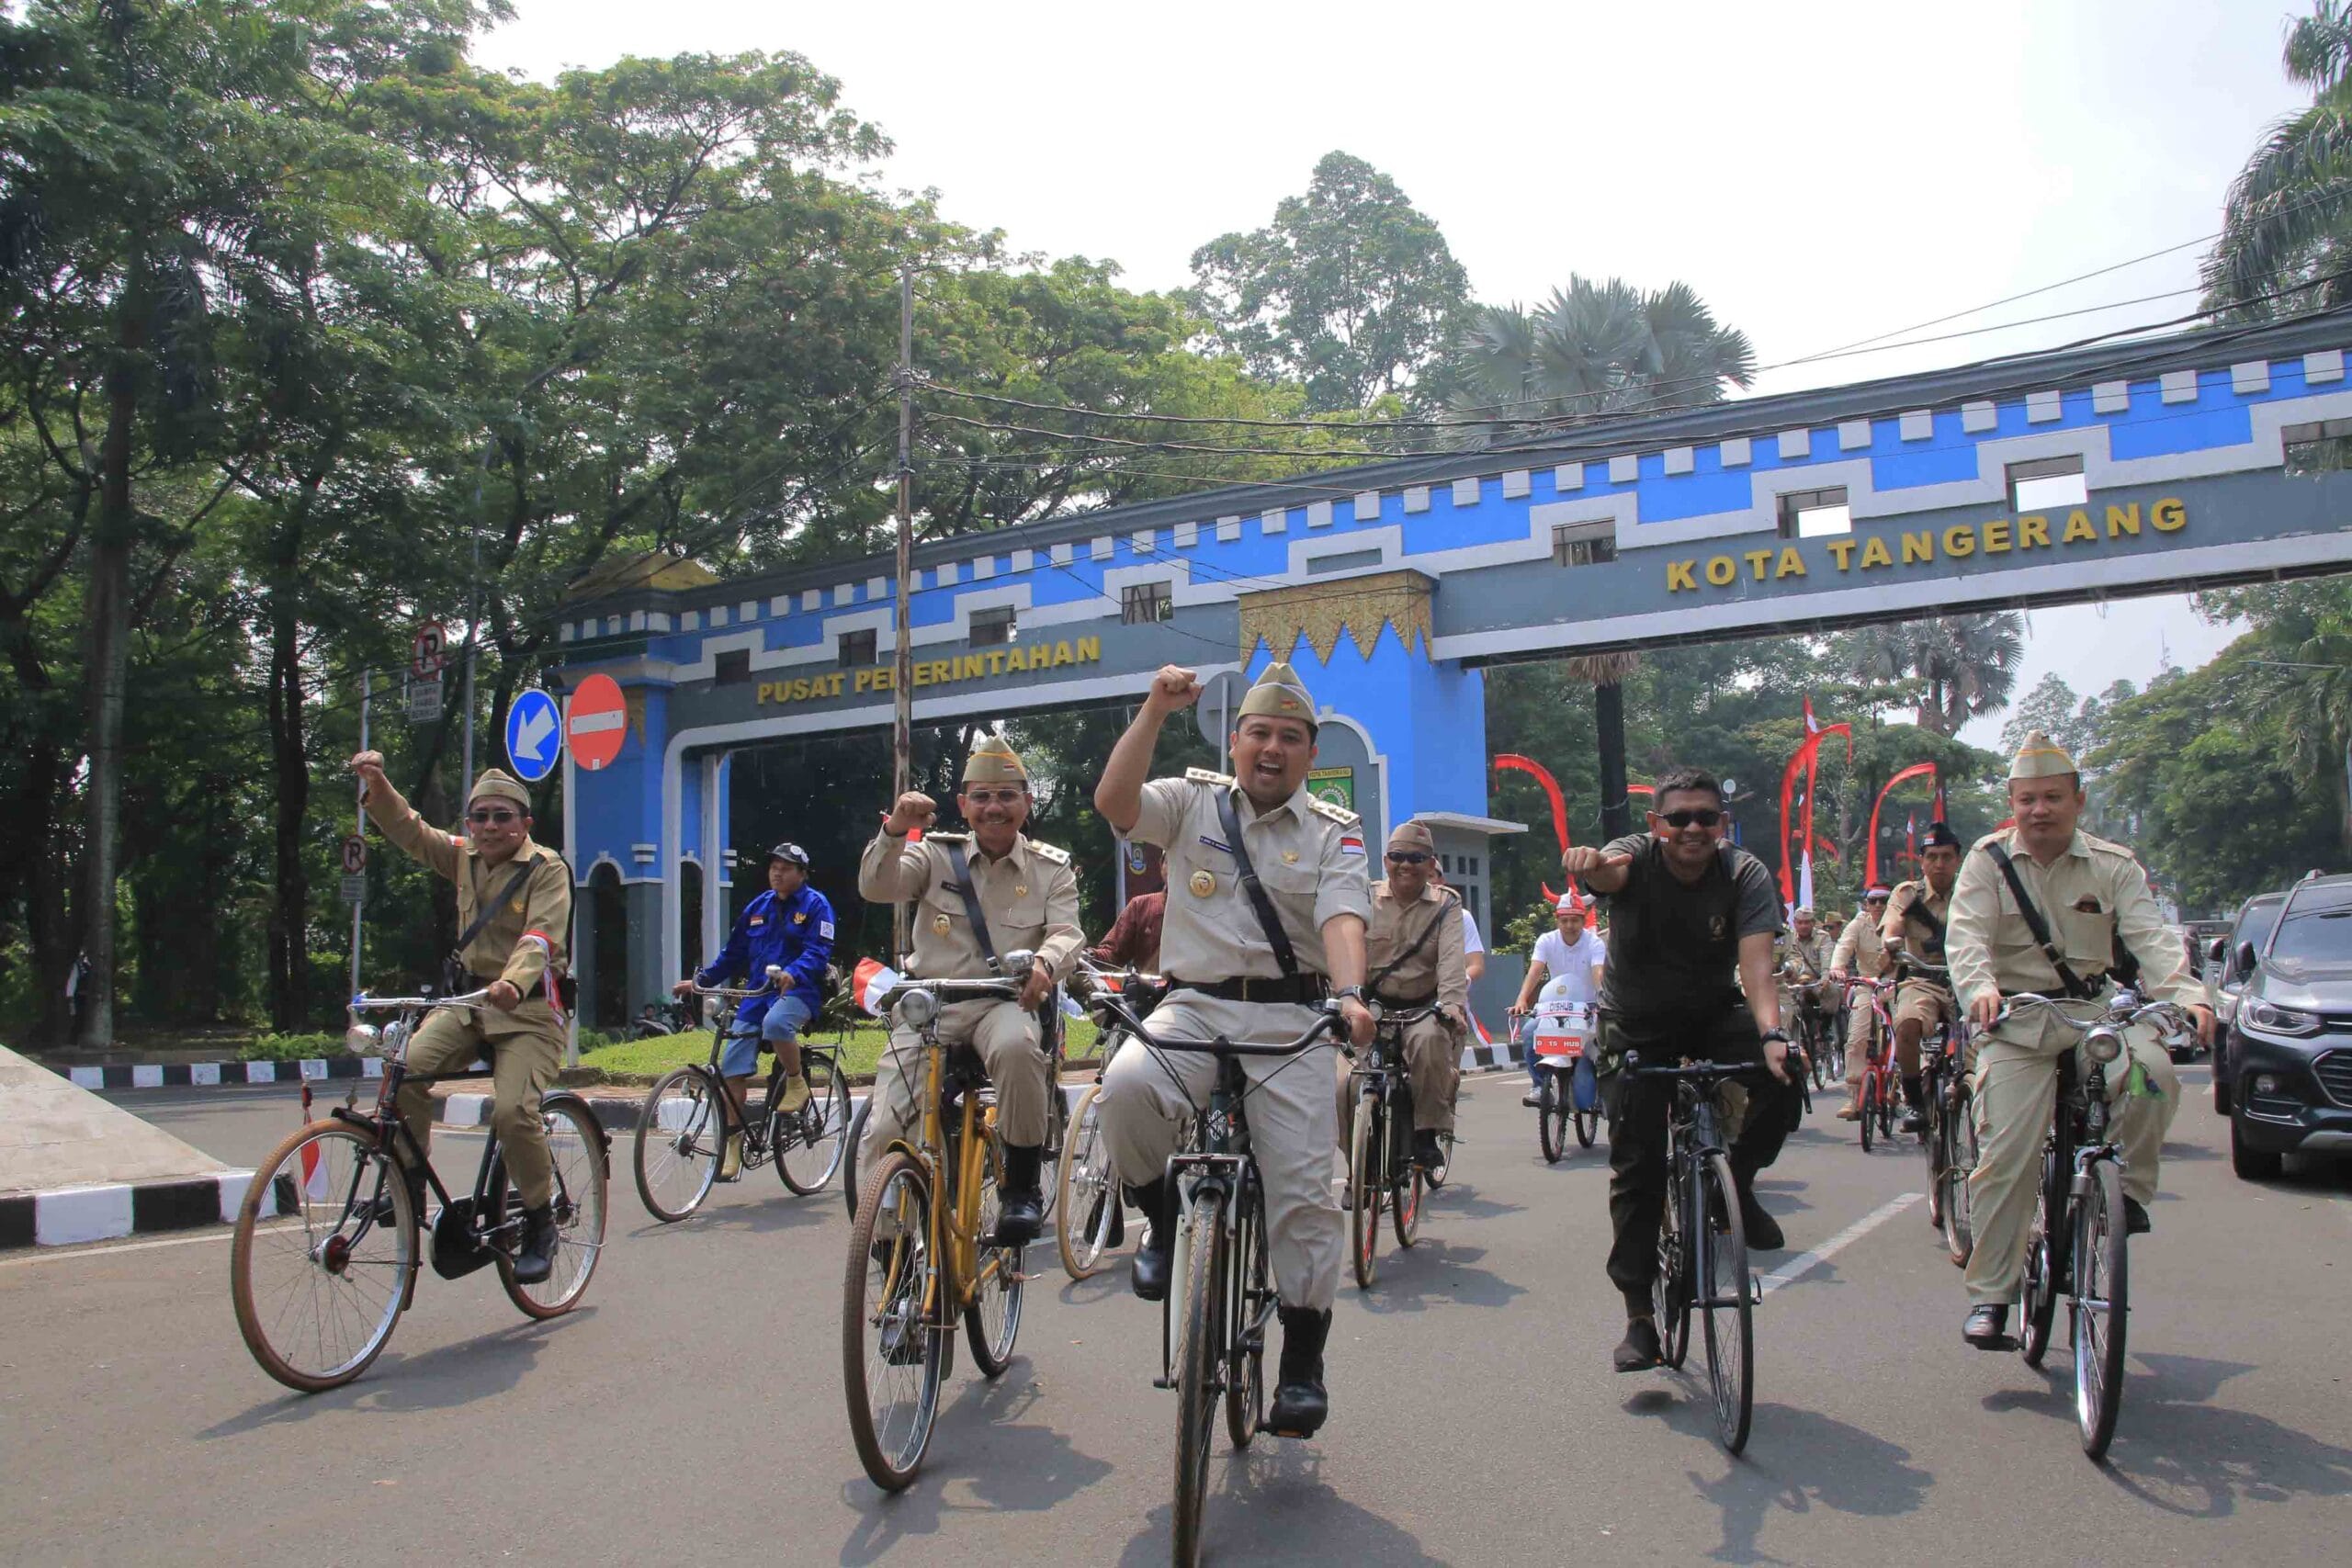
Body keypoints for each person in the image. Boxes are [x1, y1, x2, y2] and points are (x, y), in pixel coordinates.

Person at [1091, 660, 1376, 1439]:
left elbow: (1344, 917)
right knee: (1123, 1085)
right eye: (1260, 733)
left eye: (1290, 737)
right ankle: (1159, 1215)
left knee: (1306, 1194)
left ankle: (1303, 1362)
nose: (1272, 749)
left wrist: (1349, 994)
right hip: (1192, 1007)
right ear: (1236, 739)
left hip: (1290, 1024)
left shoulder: (1333, 829)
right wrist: (1152, 708)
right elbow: (1115, 803)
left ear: (1310, 753)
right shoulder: (1191, 802)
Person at [1948, 732, 2213, 1348]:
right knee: (2006, 1152)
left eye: (2052, 798)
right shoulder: (1988, 861)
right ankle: (1992, 1292)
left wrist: (2191, 996)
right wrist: (1980, 989)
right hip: (2016, 1022)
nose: (2039, 810)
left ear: (2078, 800)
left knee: (2153, 1073)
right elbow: (1966, 939)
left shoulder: (2113, 865)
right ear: (2011, 803)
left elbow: (2154, 940)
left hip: (2094, 1016)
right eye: (2027, 799)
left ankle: (2129, 1197)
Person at [1561, 764, 1793, 1374]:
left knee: (1783, 1076)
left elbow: (1758, 970)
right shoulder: (1634, 858)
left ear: (1724, 822)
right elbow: (1608, 871)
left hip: (1713, 1011)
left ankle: (1733, 1183)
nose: (1693, 828)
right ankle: (1640, 1315)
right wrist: (1589, 866)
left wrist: (1771, 1034)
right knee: (1636, 1162)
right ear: (1656, 824)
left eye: (1706, 817)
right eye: (1679, 818)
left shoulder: (1744, 873)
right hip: (1634, 1021)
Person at [347, 754, 570, 1283]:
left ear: (524, 824)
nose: (491, 827)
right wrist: (378, 783)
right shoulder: (463, 855)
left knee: (513, 1112)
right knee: (403, 1070)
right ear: (469, 824)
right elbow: (411, 831)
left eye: (502, 817)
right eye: (481, 817)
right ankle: (408, 1186)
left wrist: (514, 983)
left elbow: (541, 936)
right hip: (468, 1005)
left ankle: (541, 1220)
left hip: (529, 1009)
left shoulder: (547, 868)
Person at [858, 734, 1081, 1246]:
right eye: (980, 797)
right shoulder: (934, 855)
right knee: (887, 1120)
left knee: (1019, 1049)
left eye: (1006, 796)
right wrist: (895, 829)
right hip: (930, 1008)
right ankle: (889, 1240)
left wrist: (1046, 964)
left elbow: (1067, 931)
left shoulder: (1051, 868)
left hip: (1001, 1004)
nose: (993, 808)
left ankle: (1021, 1188)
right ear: (963, 805)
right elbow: (876, 887)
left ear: (1027, 801)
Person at [674, 841, 835, 1179]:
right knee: (731, 1064)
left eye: (786, 867)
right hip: (756, 993)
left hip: (799, 991)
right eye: (773, 866)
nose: (777, 872)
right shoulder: (758, 906)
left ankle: (796, 1082)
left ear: (802, 874)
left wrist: (795, 972)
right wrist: (701, 981)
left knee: (776, 1024)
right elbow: (733, 953)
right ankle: (732, 1146)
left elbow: (818, 951)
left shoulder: (816, 905)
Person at [1341, 821, 1465, 1171]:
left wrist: (1452, 1005)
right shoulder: (1363, 899)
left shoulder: (1446, 906)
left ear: (1430, 864)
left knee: (1428, 1042)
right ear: (1386, 860)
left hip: (1422, 1009)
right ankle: (1357, 1165)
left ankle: (1427, 1132)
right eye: (1398, 856)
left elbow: (1452, 961)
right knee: (1343, 1085)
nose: (1406, 864)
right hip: (1370, 1008)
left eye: (1416, 857)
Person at [1882, 822, 1962, 1133]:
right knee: (1907, 1023)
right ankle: (1915, 1102)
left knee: (1991, 1034)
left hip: (1965, 979)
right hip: (1922, 979)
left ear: (1957, 860)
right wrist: (1892, 942)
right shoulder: (1907, 894)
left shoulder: (1973, 891)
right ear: (1922, 860)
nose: (1939, 864)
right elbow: (1891, 927)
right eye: (1932, 857)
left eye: (1946, 856)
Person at [1507, 894, 1606, 1106]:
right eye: (1564, 920)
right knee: (1529, 1032)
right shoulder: (1546, 940)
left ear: (1583, 919)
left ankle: (1602, 1090)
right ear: (1557, 919)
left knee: (1601, 1046)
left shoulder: (1594, 943)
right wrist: (1521, 999)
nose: (1570, 925)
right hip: (1554, 1006)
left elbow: (1598, 973)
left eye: (1575, 920)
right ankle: (1538, 1085)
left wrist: (1604, 1001)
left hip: (1587, 1008)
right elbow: (1535, 970)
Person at [1828, 886, 1895, 1122]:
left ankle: (1905, 1090)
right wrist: (1837, 966)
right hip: (1867, 985)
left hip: (1898, 985)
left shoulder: (1902, 920)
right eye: (1873, 901)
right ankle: (1853, 1096)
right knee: (1856, 1038)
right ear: (1866, 904)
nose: (1878, 906)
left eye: (1884, 900)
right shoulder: (1858, 924)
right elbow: (1843, 946)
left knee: (1908, 1029)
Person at [1775, 908, 1834, 1068]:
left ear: (1813, 923)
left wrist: (1825, 977)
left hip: (1816, 982)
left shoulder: (1822, 937)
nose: (1803, 926)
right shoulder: (1788, 937)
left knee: (1832, 993)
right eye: (1800, 922)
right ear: (1795, 923)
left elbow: (1826, 959)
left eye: (1807, 922)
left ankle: (1824, 1028)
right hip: (1794, 982)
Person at [1091, 887, 1166, 972]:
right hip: (1147, 983)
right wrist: (1088, 955)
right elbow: (1113, 954)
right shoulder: (1141, 906)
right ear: (1163, 873)